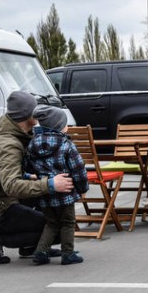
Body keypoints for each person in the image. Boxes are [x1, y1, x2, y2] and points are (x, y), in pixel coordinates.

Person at [0, 91, 74, 265]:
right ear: (28, 116)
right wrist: (49, 184)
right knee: (56, 228)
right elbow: (11, 185)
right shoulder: (8, 145)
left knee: (50, 212)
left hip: (2, 201)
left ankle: (29, 247)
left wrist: (37, 177)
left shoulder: (14, 133)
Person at [22, 105, 88, 265]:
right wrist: (83, 187)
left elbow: (27, 167)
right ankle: (68, 253)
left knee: (51, 222)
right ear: (58, 126)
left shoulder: (32, 144)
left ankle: (41, 251)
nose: (67, 127)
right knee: (67, 222)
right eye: (65, 124)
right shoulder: (66, 144)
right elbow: (78, 169)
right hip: (65, 191)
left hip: (45, 190)